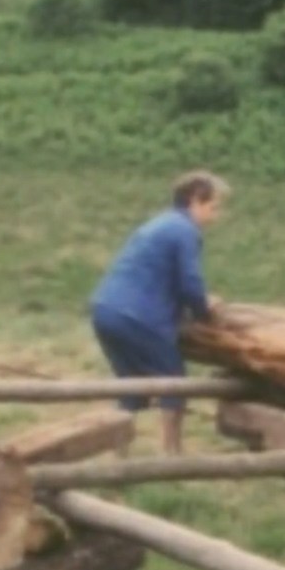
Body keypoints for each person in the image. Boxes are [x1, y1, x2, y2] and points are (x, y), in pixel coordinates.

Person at [89, 170, 229, 456]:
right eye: (213, 207)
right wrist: (204, 312)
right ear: (195, 201)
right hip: (138, 315)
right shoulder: (185, 231)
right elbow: (189, 281)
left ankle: (120, 457)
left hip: (105, 308)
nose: (216, 217)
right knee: (173, 381)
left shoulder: (160, 224)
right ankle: (172, 455)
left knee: (131, 385)